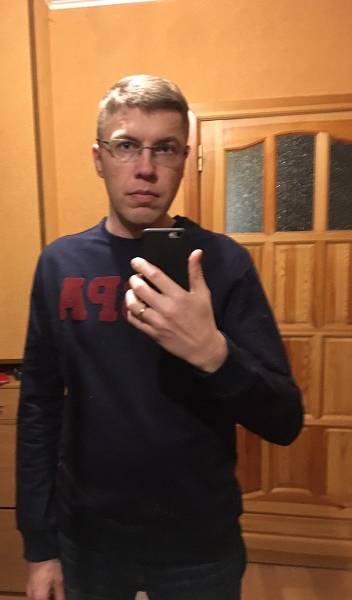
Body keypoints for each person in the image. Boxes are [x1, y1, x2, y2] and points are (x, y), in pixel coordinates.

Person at [16, 74, 304, 600]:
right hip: (88, 540)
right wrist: (39, 545)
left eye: (165, 148)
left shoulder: (221, 263)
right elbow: (39, 407)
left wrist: (213, 354)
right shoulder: (60, 264)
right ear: (99, 158)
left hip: (199, 543)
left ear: (185, 159)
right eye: (126, 145)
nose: (145, 168)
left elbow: (285, 420)